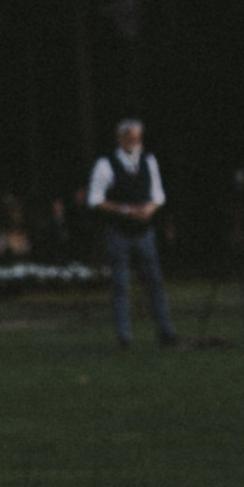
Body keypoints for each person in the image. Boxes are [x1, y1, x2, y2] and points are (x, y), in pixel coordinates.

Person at [87, 120, 179, 350]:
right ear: (120, 139)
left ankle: (166, 332)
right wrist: (126, 210)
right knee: (120, 285)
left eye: (137, 137)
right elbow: (95, 199)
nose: (135, 141)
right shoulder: (106, 164)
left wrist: (149, 209)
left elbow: (158, 194)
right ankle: (124, 336)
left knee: (155, 282)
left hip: (144, 232)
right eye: (130, 137)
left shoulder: (148, 160)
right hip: (119, 232)